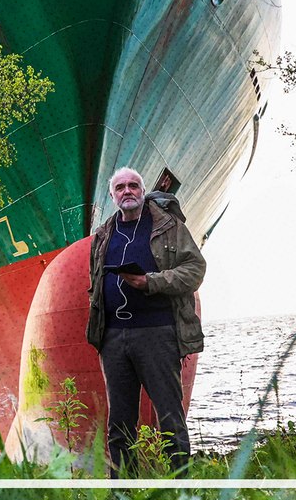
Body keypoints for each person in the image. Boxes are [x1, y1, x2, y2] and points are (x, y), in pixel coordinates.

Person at [85, 166, 205, 477]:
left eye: (134, 186)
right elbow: (94, 283)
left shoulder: (168, 225)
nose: (128, 191)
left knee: (170, 416)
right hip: (113, 338)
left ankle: (180, 487)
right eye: (121, 187)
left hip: (157, 334)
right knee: (119, 422)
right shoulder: (101, 235)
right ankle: (123, 490)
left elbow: (195, 269)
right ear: (112, 196)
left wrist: (151, 282)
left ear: (143, 191)